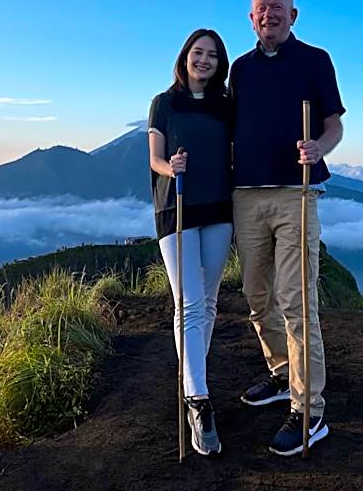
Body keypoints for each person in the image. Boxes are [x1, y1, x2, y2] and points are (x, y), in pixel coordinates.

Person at [230, 0, 346, 456]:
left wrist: (320, 147)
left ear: (293, 16)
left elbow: (334, 124)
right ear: (251, 19)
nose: (269, 15)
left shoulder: (315, 60)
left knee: (297, 301)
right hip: (246, 195)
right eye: (261, 9)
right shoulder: (239, 69)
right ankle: (282, 373)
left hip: (296, 192)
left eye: (277, 8)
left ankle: (309, 409)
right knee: (257, 296)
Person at [148, 28, 234, 456]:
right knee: (190, 303)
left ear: (220, 64)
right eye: (198, 53)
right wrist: (171, 167)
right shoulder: (164, 103)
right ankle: (198, 399)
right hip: (176, 207)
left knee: (209, 301)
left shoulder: (225, 105)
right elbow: (154, 158)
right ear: (184, 57)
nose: (204, 60)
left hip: (219, 208)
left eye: (212, 55)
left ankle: (191, 378)